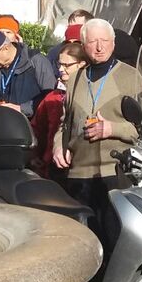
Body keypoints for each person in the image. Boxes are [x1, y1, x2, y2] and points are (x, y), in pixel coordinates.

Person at [52, 18, 142, 256]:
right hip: (79, 177)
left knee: (116, 246)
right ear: (83, 45)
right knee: (86, 249)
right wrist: (58, 146)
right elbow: (65, 122)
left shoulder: (131, 77)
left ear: (113, 43)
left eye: (105, 41)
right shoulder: (74, 80)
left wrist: (112, 129)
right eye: (93, 41)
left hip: (115, 175)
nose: (100, 47)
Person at [31, 42, 87, 179]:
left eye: (67, 65)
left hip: (81, 167)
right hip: (53, 166)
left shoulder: (90, 95)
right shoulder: (52, 97)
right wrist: (34, 156)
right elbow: (37, 129)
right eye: (59, 64)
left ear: (82, 65)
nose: (61, 69)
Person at [0, 29, 55, 119]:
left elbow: (51, 97)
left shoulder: (36, 61)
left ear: (5, 48)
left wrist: (21, 109)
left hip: (31, 127)